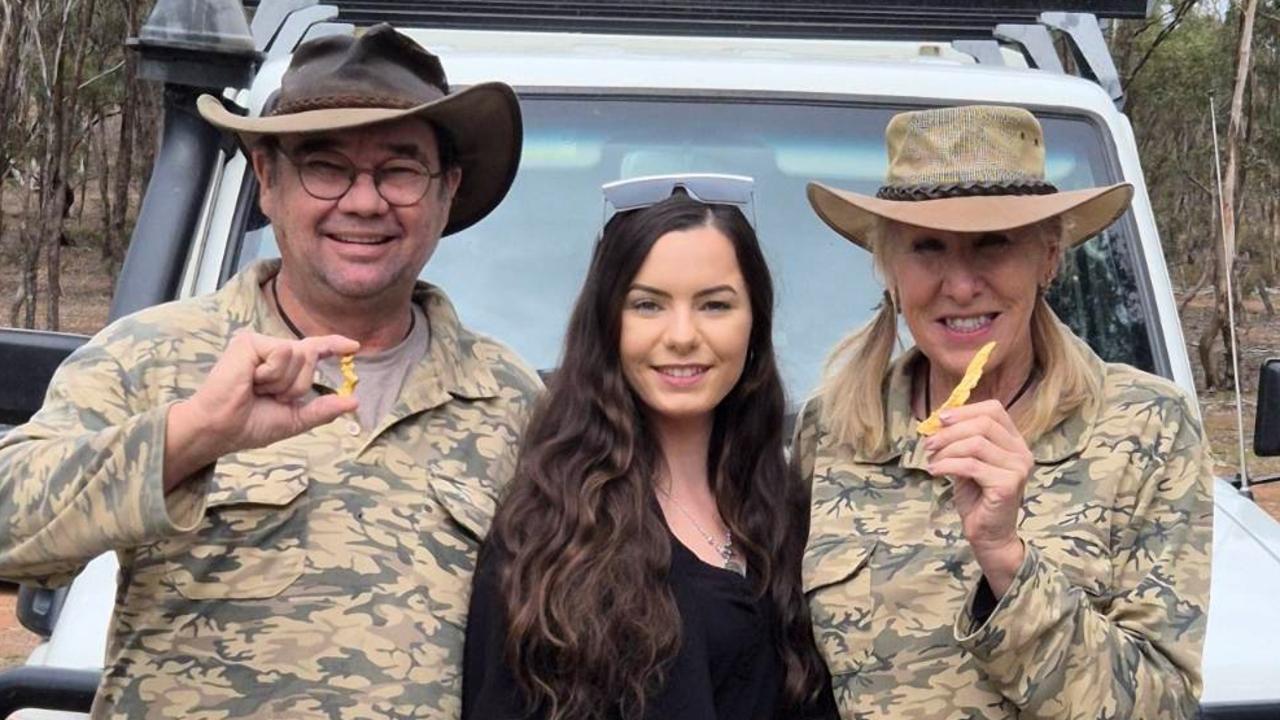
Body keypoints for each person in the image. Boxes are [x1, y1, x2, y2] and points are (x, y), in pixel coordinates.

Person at [0, 25, 541, 719]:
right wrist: (190, 437)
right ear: (267, 181)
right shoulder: (150, 357)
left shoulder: (512, 398)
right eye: (326, 166)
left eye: (400, 169)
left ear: (447, 191)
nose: (365, 201)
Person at [796, 105, 1212, 719]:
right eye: (927, 248)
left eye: (993, 244)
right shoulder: (831, 428)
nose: (961, 286)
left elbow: (1163, 707)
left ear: (1048, 258)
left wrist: (1006, 560)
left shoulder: (1147, 426)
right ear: (888, 267)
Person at [462, 175, 835, 720]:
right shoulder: (543, 536)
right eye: (648, 305)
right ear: (607, 325)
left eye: (714, 305)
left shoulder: (801, 519)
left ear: (755, 324)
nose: (682, 335)